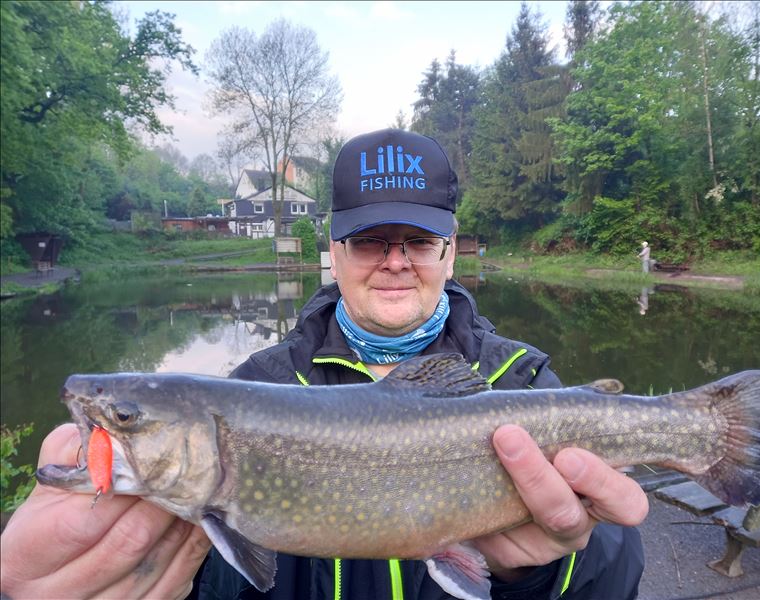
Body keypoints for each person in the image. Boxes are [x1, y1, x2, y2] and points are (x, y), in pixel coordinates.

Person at [0, 129, 648, 600]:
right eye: (369, 242)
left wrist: (537, 574)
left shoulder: (525, 384)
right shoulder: (257, 387)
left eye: (419, 241)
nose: (395, 261)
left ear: (450, 253)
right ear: (332, 254)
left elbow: (619, 577)